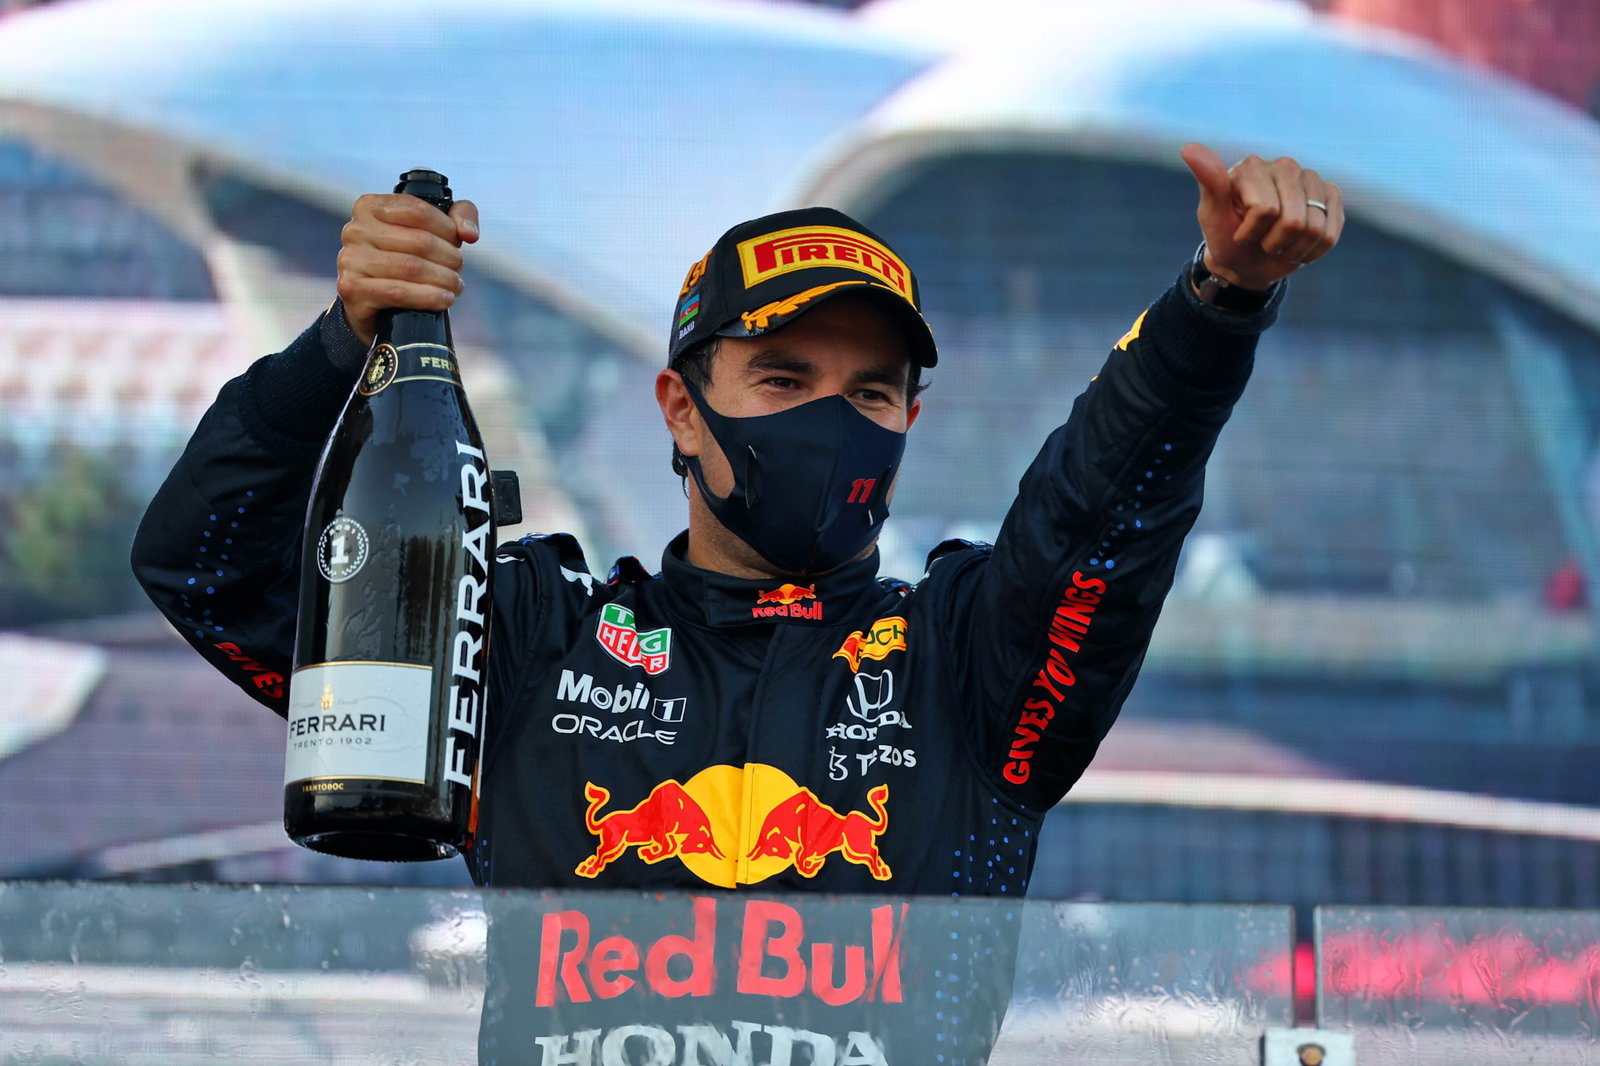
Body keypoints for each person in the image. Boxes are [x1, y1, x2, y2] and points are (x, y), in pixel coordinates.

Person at [132, 143, 1343, 897]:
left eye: (870, 393)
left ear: (912, 417)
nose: (832, 420)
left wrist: (1217, 303)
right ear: (680, 409)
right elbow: (205, 563)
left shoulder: (969, 669)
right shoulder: (527, 644)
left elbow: (1097, 512)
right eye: (782, 380)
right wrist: (346, 338)